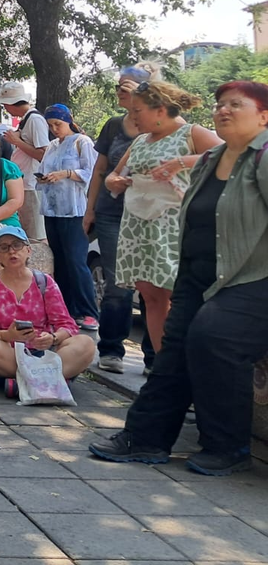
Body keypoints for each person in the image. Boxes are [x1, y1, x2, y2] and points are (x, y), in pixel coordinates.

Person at [89, 81, 268, 476]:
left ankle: (228, 445)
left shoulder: (262, 157)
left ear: (264, 116)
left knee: (211, 337)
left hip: (249, 278)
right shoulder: (213, 159)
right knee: (173, 349)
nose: (223, 110)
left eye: (236, 105)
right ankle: (146, 438)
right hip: (196, 271)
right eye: (220, 104)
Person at [106, 80, 219, 354]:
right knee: (149, 296)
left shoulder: (191, 133)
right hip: (136, 224)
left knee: (173, 296)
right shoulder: (140, 141)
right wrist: (116, 182)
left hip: (172, 224)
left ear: (160, 109)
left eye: (138, 110)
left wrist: (182, 163)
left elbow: (227, 154)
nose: (132, 117)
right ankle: (162, 364)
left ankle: (185, 364)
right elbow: (111, 176)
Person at [83, 64, 157, 373]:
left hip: (151, 214)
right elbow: (101, 170)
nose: (119, 91)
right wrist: (89, 210)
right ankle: (111, 348)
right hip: (112, 215)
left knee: (154, 284)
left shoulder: (160, 125)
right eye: (118, 86)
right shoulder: (114, 125)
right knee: (118, 281)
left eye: (127, 86)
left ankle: (154, 356)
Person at [0, 225, 96, 393]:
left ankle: (24, 384)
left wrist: (53, 338)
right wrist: (7, 335)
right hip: (9, 354)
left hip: (43, 353)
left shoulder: (44, 282)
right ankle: (51, 382)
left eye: (17, 245)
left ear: (28, 251)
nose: (11, 251)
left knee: (86, 344)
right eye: (4, 247)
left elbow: (67, 325)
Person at [37, 104, 99, 329]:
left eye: (58, 124)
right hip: (52, 209)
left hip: (75, 209)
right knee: (60, 261)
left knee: (76, 260)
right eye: (51, 125)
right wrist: (44, 178)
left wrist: (67, 174)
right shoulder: (53, 145)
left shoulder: (83, 142)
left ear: (68, 121)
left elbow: (91, 173)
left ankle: (88, 311)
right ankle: (65, 310)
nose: (54, 129)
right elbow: (43, 169)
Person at [0, 81, 50, 241]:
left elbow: (42, 153)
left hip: (31, 183)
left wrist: (16, 141)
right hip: (24, 182)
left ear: (10, 104)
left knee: (35, 234)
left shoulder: (34, 120)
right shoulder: (27, 119)